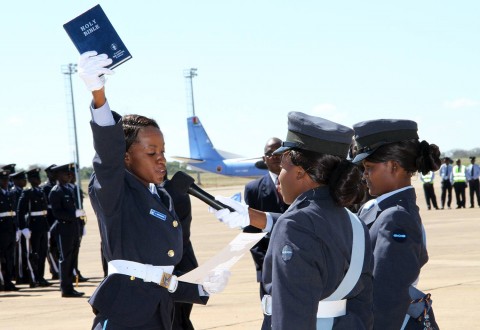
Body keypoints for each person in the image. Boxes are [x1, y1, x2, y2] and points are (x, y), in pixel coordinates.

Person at [78, 50, 228, 329]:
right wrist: (98, 94)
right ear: (125, 157)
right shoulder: (115, 193)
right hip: (126, 316)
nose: (161, 159)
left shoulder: (162, 197)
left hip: (159, 314)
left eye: (163, 151)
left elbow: (157, 276)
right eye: (150, 153)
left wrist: (202, 287)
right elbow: (107, 159)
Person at [214, 112, 374, 329]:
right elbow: (363, 307)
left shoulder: (293, 226)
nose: (279, 176)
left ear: (299, 173)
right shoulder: (355, 223)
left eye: (282, 167)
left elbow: (291, 319)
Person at [352, 119, 441, 329]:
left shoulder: (396, 218)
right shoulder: (377, 207)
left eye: (369, 168)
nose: (364, 176)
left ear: (394, 166)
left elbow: (386, 298)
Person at [242, 137, 289, 325]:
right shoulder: (253, 189)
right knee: (271, 318)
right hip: (269, 268)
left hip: (300, 265)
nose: (275, 157)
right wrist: (265, 266)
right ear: (264, 158)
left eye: (280, 152)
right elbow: (252, 233)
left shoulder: (303, 183)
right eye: (271, 153)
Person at [163, 174, 199, 330]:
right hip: (180, 273)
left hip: (173, 275)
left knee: (175, 321)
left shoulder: (168, 193)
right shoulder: (174, 190)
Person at [48, 163, 85, 298]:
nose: (69, 176)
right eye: (66, 174)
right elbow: (57, 213)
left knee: (72, 258)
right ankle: (66, 288)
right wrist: (73, 214)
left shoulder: (69, 190)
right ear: (58, 175)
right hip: (64, 229)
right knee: (66, 258)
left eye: (69, 174)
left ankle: (70, 287)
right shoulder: (56, 191)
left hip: (74, 228)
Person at [16, 168, 52, 288]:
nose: (38, 180)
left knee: (42, 253)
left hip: (42, 225)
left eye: (38, 178)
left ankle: (40, 276)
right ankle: (33, 277)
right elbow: (20, 211)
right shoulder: (27, 193)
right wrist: (23, 227)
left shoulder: (41, 191)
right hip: (33, 226)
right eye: (35, 178)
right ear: (31, 180)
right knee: (33, 253)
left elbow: (45, 210)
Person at [0, 169, 20, 291]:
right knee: (2, 257)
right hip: (1, 229)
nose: (6, 182)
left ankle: (8, 281)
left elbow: (14, 213)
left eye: (7, 179)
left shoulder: (8, 193)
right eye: (3, 179)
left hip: (10, 228)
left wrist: (16, 228)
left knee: (9, 257)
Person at [40, 164, 60, 280]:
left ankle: (58, 269)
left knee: (58, 246)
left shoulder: (58, 186)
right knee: (51, 247)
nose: (55, 174)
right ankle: (54, 270)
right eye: (53, 172)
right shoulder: (45, 187)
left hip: (58, 219)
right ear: (48, 174)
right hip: (49, 220)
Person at [10, 170, 29, 285]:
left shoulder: (22, 191)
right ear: (16, 181)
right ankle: (19, 276)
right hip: (18, 227)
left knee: (24, 253)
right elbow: (16, 212)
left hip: (24, 226)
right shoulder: (14, 192)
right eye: (22, 179)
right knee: (19, 254)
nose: (25, 181)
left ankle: (24, 275)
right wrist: (18, 227)